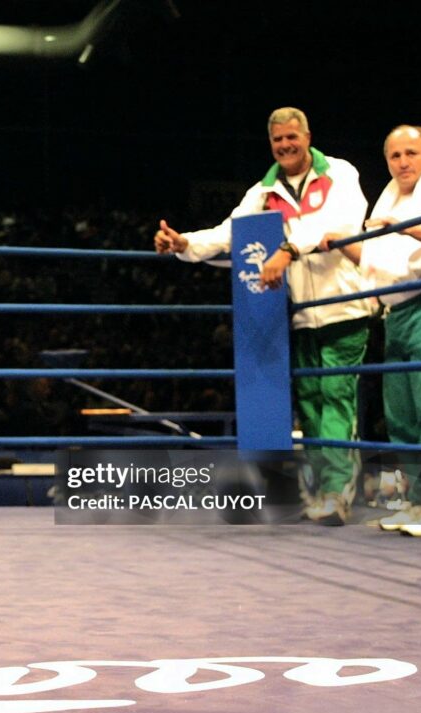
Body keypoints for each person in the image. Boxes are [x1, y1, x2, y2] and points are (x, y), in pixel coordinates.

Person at [153, 107, 374, 526]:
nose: (286, 146)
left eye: (292, 137)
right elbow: (228, 233)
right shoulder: (262, 190)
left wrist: (288, 250)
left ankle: (337, 492)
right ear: (271, 144)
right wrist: (184, 243)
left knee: (336, 398)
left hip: (343, 304)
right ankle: (321, 490)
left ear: (307, 137)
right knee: (310, 404)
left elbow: (339, 223)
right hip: (296, 313)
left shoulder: (340, 174)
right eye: (278, 140)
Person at [329, 125, 421, 537]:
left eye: (410, 153)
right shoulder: (389, 201)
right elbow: (380, 261)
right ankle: (416, 501)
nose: (403, 162)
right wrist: (342, 242)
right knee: (402, 413)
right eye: (394, 155)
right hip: (399, 313)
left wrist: (406, 226)